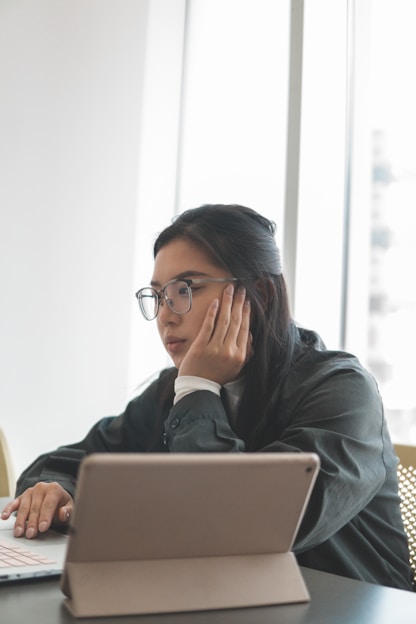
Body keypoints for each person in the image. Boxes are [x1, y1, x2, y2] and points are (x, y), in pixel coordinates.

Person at [1, 204, 413, 591]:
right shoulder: (175, 389)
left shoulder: (342, 390)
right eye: (159, 295)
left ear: (261, 294)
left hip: (347, 607)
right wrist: (52, 487)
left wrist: (198, 390)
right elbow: (70, 461)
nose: (166, 314)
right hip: (230, 597)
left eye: (186, 289)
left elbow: (245, 528)